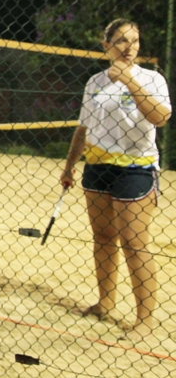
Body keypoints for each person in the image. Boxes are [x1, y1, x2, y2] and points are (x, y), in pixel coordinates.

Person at [60, 19, 171, 342]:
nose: (129, 47)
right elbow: (83, 128)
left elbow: (161, 118)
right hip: (98, 166)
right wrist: (69, 166)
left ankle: (144, 320)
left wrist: (130, 82)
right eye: (121, 40)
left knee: (135, 244)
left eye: (134, 41)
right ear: (106, 44)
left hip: (136, 168)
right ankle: (105, 302)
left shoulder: (151, 78)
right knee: (103, 237)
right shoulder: (95, 81)